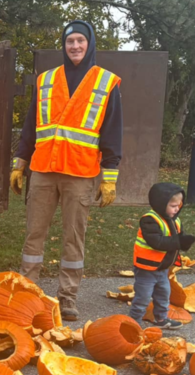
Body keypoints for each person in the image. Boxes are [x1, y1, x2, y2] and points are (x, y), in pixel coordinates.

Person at [9, 20, 123, 321]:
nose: (74, 46)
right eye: (70, 41)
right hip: (43, 170)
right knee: (34, 235)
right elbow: (30, 127)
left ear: (90, 44)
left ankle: (68, 297)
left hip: (80, 173)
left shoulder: (105, 82)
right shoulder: (45, 80)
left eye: (80, 41)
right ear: (64, 44)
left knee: (74, 238)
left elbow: (112, 134)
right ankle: (27, 291)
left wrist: (109, 179)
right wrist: (19, 164)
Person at [129, 183, 195, 328]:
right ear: (161, 204)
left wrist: (184, 242)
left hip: (162, 268)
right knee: (143, 297)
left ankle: (161, 319)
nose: (177, 209)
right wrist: (178, 241)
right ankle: (133, 323)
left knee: (164, 295)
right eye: (173, 206)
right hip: (146, 268)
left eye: (178, 205)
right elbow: (157, 242)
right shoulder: (149, 220)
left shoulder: (175, 220)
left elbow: (177, 240)